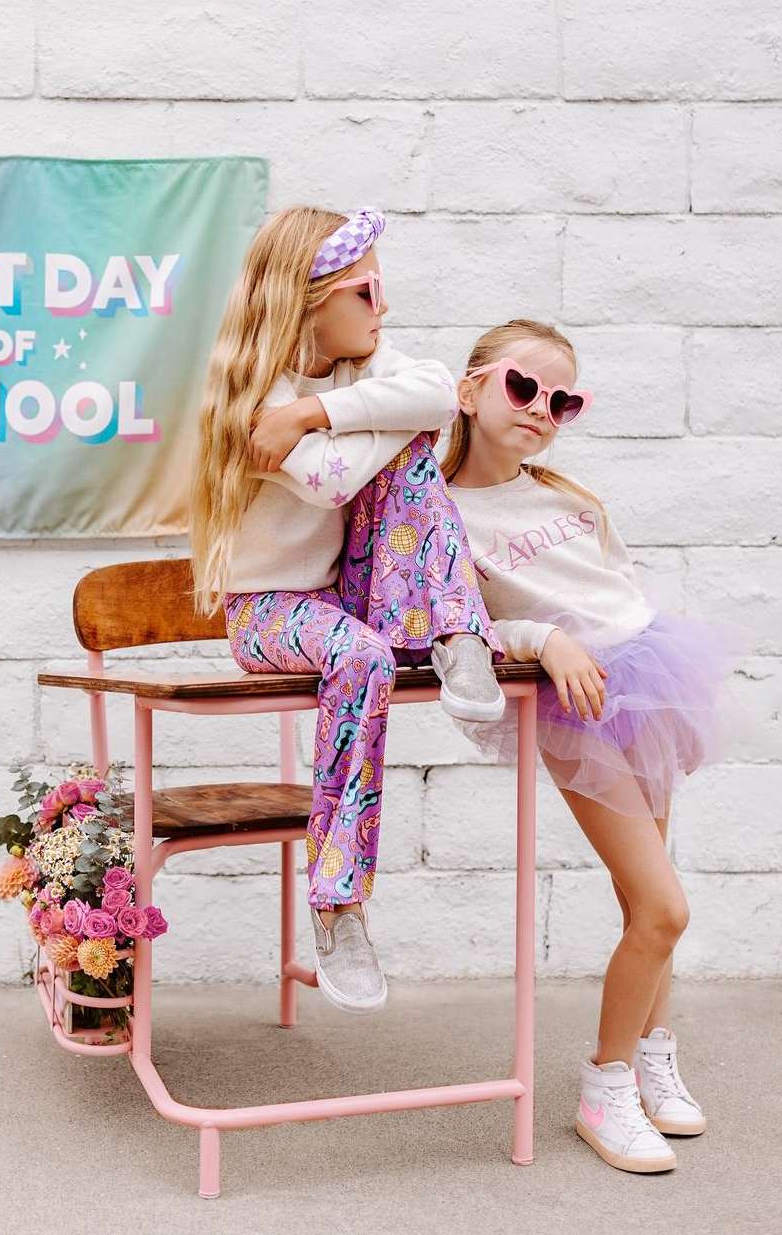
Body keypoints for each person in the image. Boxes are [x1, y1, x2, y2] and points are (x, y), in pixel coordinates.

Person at [189, 205, 505, 1016]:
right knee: (362, 645)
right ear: (310, 299)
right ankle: (338, 904)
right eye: (367, 291)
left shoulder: (342, 380)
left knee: (408, 465)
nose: (384, 307)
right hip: (267, 611)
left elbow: (439, 388)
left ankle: (460, 630)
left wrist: (320, 412)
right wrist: (379, 419)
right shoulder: (244, 395)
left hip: (352, 597)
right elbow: (333, 480)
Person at [443, 317, 743, 1173]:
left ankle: (653, 1056)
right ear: (468, 390)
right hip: (571, 702)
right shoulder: (439, 514)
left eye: (562, 398)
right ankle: (603, 1087)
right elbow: (452, 626)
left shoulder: (568, 495)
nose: (542, 407)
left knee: (644, 901)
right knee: (665, 906)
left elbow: (612, 589)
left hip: (647, 677)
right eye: (522, 386)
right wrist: (542, 638)